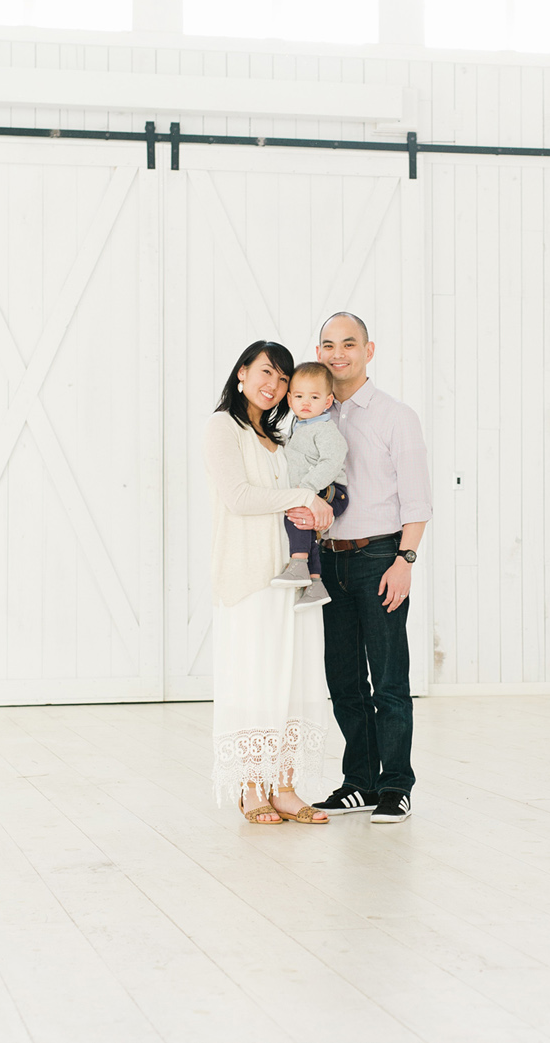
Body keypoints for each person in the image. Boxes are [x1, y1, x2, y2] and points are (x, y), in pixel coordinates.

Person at [204, 340, 341, 825]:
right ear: (242, 372)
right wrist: (304, 494)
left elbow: (294, 503)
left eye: (283, 379)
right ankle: (251, 788)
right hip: (248, 577)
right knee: (254, 679)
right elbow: (240, 497)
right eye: (265, 372)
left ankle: (285, 786)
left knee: (290, 679)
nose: (274, 385)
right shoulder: (223, 428)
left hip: (292, 576)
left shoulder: (282, 440)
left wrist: (317, 508)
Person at [302, 311, 431, 825]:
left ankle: (395, 785)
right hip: (329, 560)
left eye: (348, 344)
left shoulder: (396, 416)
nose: (337, 353)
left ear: (368, 350)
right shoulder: (313, 415)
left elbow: (418, 501)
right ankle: (359, 781)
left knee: (389, 680)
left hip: (381, 557)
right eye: (328, 344)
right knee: (344, 680)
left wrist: (405, 561)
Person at [269, 361, 348, 609]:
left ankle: (299, 564)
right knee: (307, 525)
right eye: (300, 396)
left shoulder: (323, 428)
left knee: (296, 515)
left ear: (327, 402)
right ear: (290, 399)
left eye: (314, 397)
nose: (306, 402)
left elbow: (333, 459)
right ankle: (315, 583)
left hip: (332, 491)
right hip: (316, 490)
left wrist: (305, 490)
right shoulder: (299, 427)